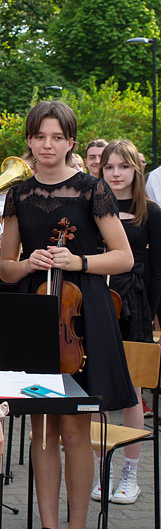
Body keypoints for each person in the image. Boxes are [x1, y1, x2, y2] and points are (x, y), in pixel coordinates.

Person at [0, 101, 135, 529]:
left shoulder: (92, 190)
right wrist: (30, 264)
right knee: (42, 430)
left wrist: (76, 261)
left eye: (58, 137)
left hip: (82, 320)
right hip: (37, 319)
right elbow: (4, 266)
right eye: (40, 137)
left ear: (71, 142)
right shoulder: (17, 195)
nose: (48, 145)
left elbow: (122, 258)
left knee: (76, 431)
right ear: (30, 141)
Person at [98, 139, 161, 503]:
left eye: (123, 167)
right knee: (99, 392)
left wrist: (149, 310)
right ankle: (101, 472)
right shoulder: (95, 206)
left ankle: (129, 475)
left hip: (135, 302)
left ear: (134, 170)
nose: (116, 174)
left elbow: (158, 269)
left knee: (133, 393)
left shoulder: (150, 212)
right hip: (101, 301)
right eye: (109, 167)